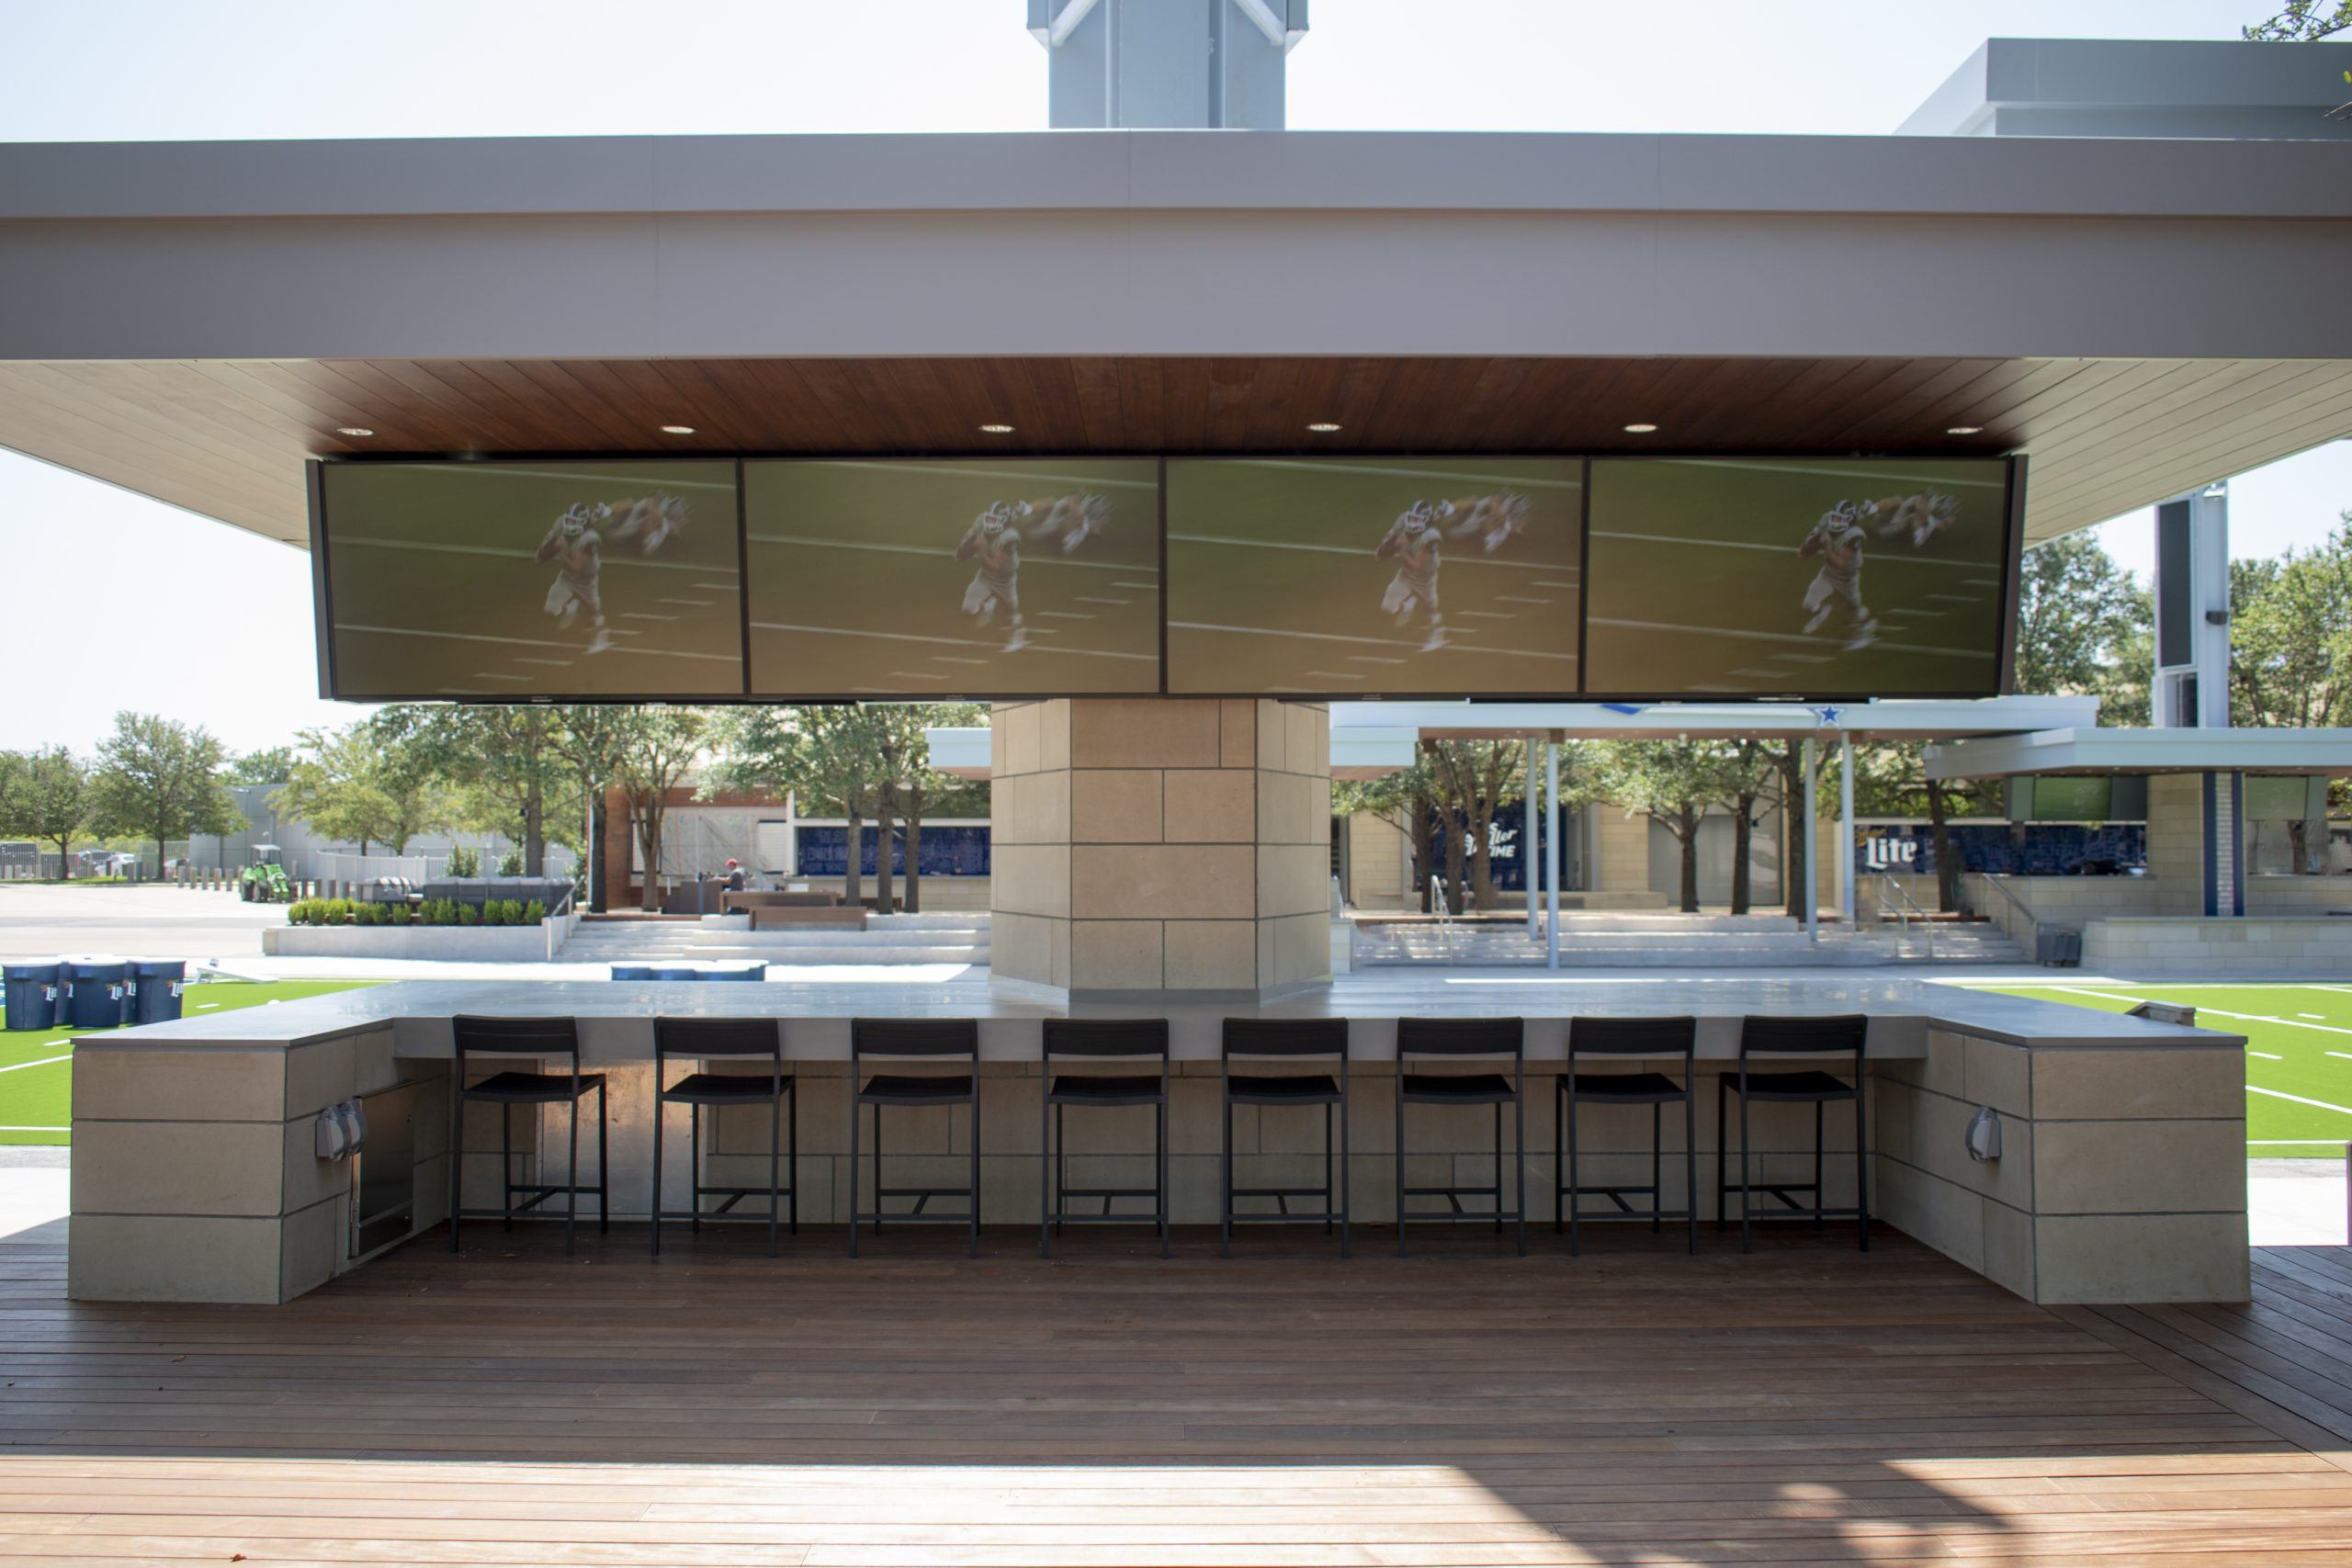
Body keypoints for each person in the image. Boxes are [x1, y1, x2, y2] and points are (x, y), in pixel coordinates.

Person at [534, 494, 689, 656]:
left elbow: (576, 567)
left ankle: (600, 638)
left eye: (574, 521)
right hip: (568, 575)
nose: (570, 524)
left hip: (586, 579)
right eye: (569, 521)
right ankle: (569, 608)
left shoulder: (590, 539)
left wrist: (560, 550)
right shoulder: (564, 524)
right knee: (551, 610)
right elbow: (548, 542)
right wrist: (544, 551)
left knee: (593, 614)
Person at [954, 500, 1035, 651]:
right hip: (985, 575)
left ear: (1003, 522)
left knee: (1011, 612)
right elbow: (968, 537)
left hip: (1005, 578)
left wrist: (980, 550)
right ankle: (987, 607)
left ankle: (1018, 636)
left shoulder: (1011, 537)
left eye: (995, 520)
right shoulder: (980, 522)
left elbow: (995, 566)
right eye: (989, 519)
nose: (990, 523)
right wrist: (964, 547)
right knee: (968, 608)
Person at [1798, 500, 1878, 651]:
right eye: (1835, 517)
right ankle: (1822, 611)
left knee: (1855, 612)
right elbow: (1813, 536)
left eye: (1840, 519)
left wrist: (1827, 546)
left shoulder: (1855, 535)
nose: (1835, 521)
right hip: (1828, 573)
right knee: (1808, 604)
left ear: (1849, 521)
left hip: (1847, 578)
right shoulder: (1827, 519)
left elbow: (1840, 562)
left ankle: (1865, 634)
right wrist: (1807, 546)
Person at [1375, 500, 1450, 652]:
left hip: (1425, 578)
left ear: (1425, 520)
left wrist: (1400, 548)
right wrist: (1383, 549)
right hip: (1406, 574)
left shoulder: (1432, 536)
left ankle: (1437, 637)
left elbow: (1417, 564)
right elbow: (1390, 537)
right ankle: (1407, 605)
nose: (1411, 522)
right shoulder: (1404, 520)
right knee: (1387, 607)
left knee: (1430, 611)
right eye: (1412, 518)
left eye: (1416, 519)